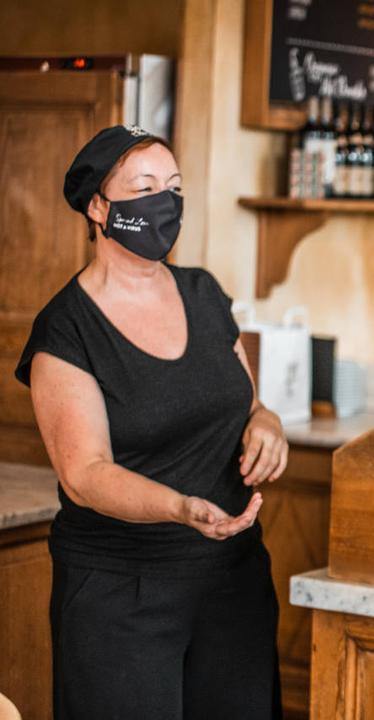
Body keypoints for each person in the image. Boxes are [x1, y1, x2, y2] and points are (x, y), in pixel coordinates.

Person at [15, 125, 287, 720]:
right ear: (97, 206)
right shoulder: (67, 330)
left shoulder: (202, 292)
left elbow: (247, 403)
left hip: (232, 581)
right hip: (122, 594)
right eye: (145, 187)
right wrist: (180, 507)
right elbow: (85, 473)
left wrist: (268, 424)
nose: (165, 201)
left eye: (175, 186)